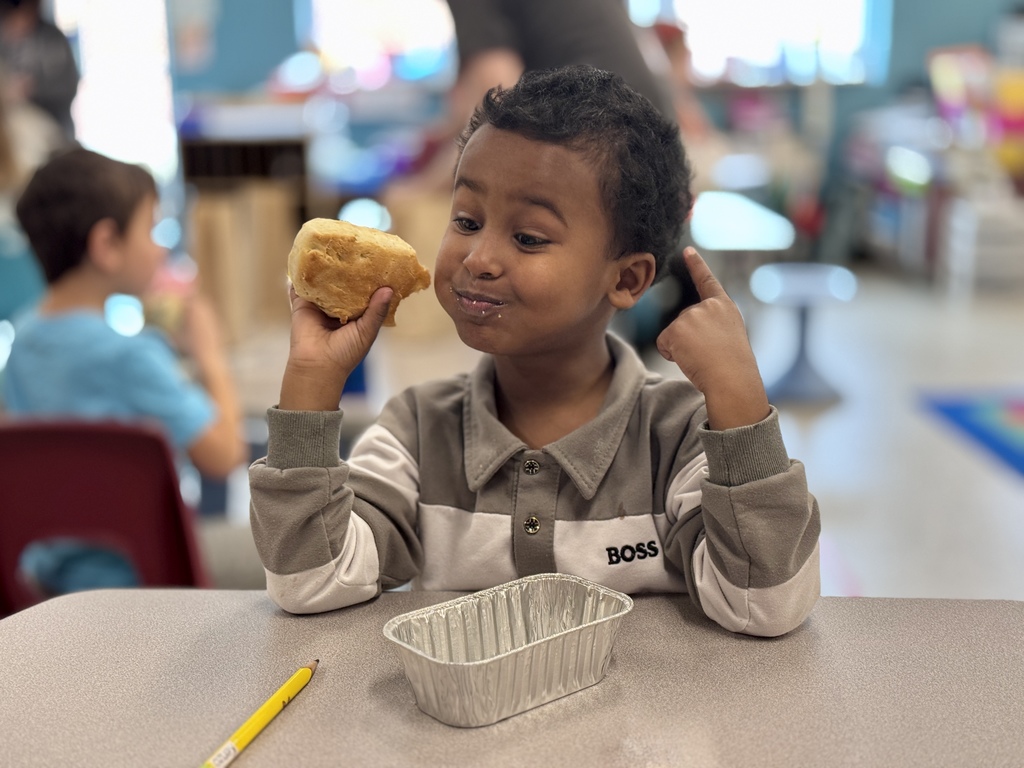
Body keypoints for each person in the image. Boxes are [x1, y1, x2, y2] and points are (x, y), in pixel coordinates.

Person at [250, 65, 820, 637]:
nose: (478, 259)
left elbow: (763, 605)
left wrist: (739, 400)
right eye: (467, 221)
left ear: (626, 280)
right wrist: (310, 384)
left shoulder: (679, 440)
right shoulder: (416, 434)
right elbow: (310, 583)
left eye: (528, 238)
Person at [3, 148, 245, 593]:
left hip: (47, 586)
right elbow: (225, 456)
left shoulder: (23, 341)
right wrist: (211, 355)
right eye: (151, 229)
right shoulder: (132, 356)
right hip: (145, 583)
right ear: (106, 245)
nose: (159, 247)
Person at [0, 0, 79, 141]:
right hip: (13, 136)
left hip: (53, 130)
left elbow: (69, 84)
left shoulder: (53, 39)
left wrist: (32, 88)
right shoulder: (4, 40)